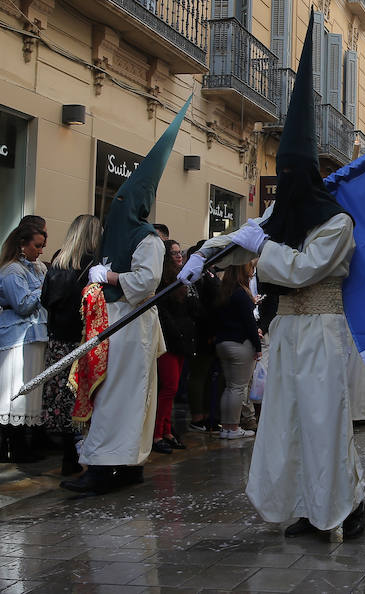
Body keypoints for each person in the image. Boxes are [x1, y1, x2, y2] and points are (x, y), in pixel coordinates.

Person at [180, 16, 365, 539]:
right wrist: (202, 256)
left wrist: (263, 250)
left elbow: (306, 268)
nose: (281, 185)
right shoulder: (278, 218)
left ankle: (346, 507)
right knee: (286, 426)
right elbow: (243, 239)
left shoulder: (337, 223)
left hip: (324, 331)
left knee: (324, 424)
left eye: (289, 175)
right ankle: (305, 508)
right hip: (286, 330)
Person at [61, 97, 191, 494]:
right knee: (114, 396)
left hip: (132, 327)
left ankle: (107, 466)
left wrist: (112, 276)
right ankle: (120, 464)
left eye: (122, 201)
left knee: (122, 397)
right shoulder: (121, 237)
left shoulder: (147, 239)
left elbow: (145, 284)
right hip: (115, 325)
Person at [40, 214, 101, 474]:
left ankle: (68, 455)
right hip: (83, 340)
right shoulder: (93, 266)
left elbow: (45, 300)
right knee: (85, 396)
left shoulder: (58, 263)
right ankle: (87, 453)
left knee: (62, 400)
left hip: (58, 340)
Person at [0, 221, 48, 462]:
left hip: (34, 334)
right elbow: (21, 305)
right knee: (15, 390)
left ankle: (22, 443)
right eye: (37, 246)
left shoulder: (36, 267)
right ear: (22, 245)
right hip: (15, 337)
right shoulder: (11, 271)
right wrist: (42, 289)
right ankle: (14, 446)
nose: (41, 251)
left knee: (29, 390)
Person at [152, 240, 196, 454]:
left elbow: (190, 309)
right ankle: (158, 433)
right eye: (175, 254)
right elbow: (164, 313)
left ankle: (167, 430)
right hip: (169, 340)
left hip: (181, 340)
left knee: (173, 388)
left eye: (181, 253)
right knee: (168, 388)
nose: (179, 257)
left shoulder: (181, 280)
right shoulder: (162, 282)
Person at [213, 262, 260, 440]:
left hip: (223, 342)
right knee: (238, 388)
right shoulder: (241, 294)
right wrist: (258, 346)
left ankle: (226, 426)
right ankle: (232, 427)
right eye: (250, 267)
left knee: (230, 387)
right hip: (240, 343)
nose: (252, 270)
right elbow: (249, 323)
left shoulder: (224, 291)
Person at [184, 242, 222, 434]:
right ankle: (198, 415)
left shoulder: (208, 275)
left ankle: (205, 413)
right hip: (202, 331)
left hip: (208, 329)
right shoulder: (199, 277)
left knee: (206, 375)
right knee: (199, 374)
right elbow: (204, 306)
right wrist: (210, 331)